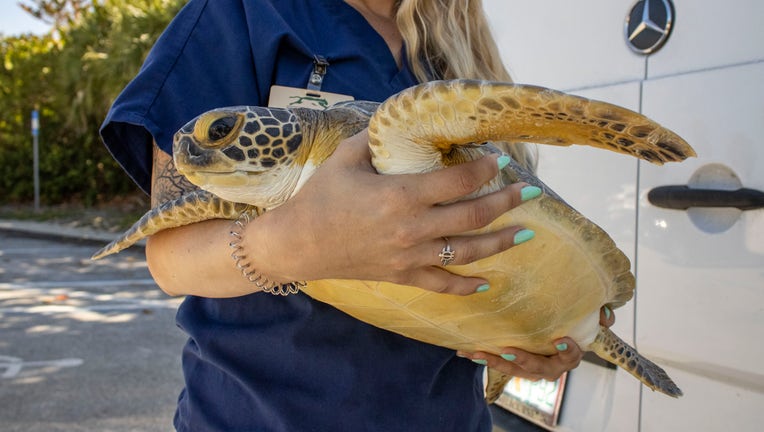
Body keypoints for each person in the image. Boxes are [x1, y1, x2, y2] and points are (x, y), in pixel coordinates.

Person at [101, 0, 614, 430]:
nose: (199, 143)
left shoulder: (452, 51)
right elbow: (170, 258)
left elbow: (505, 230)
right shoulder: (245, 13)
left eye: (220, 132)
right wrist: (295, 243)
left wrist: (544, 339)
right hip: (261, 416)